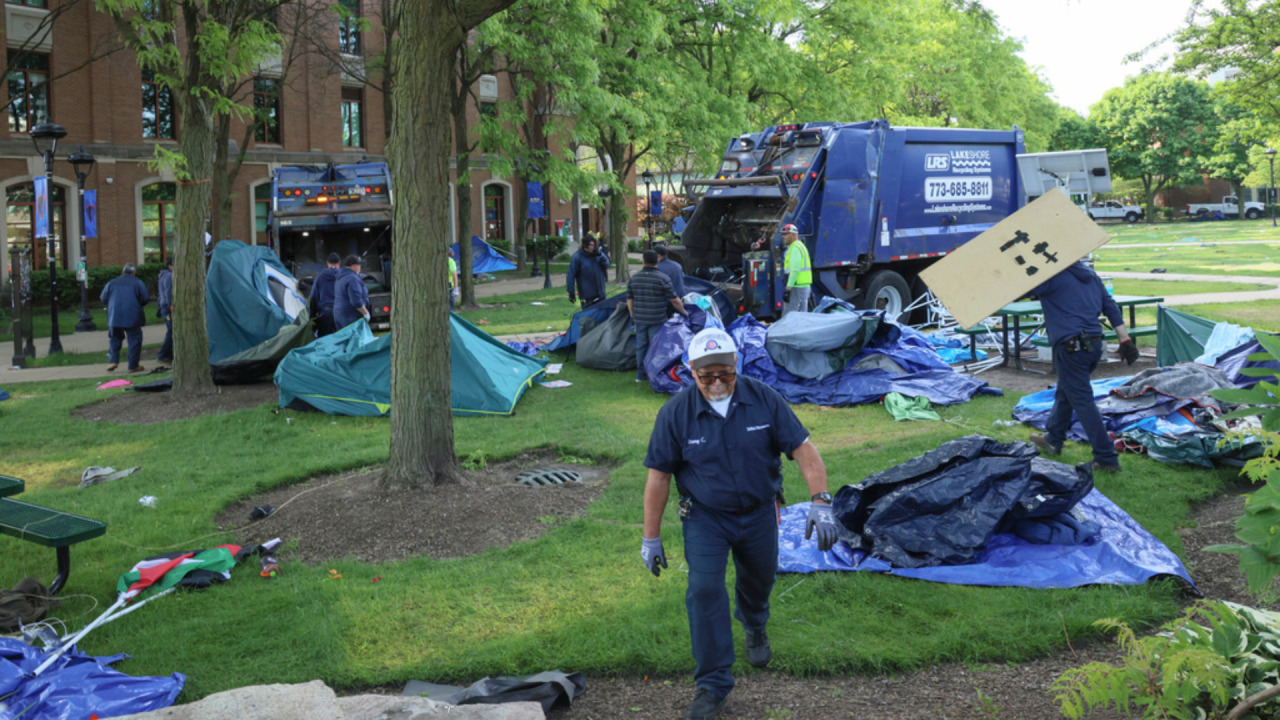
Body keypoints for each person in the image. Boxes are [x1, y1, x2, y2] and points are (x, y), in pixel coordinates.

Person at [641, 328, 838, 720]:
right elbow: (659, 477)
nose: (716, 382)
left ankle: (754, 622)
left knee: (759, 579)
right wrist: (651, 538)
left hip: (760, 512)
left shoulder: (765, 399)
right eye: (706, 376)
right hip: (705, 517)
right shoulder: (675, 414)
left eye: (724, 374)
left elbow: (804, 451)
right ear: (690, 373)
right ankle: (713, 686)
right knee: (704, 588)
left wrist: (821, 503)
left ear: (737, 366)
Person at [1028, 260, 1140, 473]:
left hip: (1072, 347)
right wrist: (1124, 339)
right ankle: (1053, 438)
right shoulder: (1091, 275)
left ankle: (1106, 457)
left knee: (1082, 400)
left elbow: (1019, 289)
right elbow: (1111, 307)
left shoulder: (1051, 275)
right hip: (1094, 345)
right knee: (1067, 390)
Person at [627, 250, 686, 383]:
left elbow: (629, 299)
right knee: (656, 347)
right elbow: (674, 300)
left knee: (641, 346)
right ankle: (654, 374)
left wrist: (633, 315)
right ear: (657, 260)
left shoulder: (635, 278)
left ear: (643, 261)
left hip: (640, 319)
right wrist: (683, 312)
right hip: (657, 318)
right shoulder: (662, 278)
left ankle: (640, 376)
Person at [100, 263, 150, 373]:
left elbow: (103, 297)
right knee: (134, 340)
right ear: (134, 273)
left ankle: (113, 361)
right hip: (133, 315)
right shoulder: (138, 283)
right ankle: (133, 365)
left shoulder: (112, 282)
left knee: (115, 338)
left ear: (122, 272)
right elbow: (145, 298)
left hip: (114, 316)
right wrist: (138, 305)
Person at [566, 234, 610, 308]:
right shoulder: (577, 257)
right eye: (591, 246)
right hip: (587, 294)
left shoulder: (598, 254)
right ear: (585, 246)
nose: (593, 248)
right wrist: (571, 291)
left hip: (600, 292)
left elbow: (607, 264)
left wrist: (601, 256)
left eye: (594, 245)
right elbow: (571, 274)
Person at [333, 254, 370, 330]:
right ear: (353, 266)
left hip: (339, 315)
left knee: (344, 340)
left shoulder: (340, 277)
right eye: (359, 265)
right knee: (356, 340)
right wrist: (366, 313)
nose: (360, 268)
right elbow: (356, 301)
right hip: (351, 317)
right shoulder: (352, 279)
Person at [780, 223, 811, 315]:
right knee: (801, 315)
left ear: (794, 235)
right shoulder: (801, 246)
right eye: (782, 234)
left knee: (790, 315)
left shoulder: (795, 248)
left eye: (786, 234)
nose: (783, 236)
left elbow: (795, 270)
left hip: (796, 287)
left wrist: (788, 289)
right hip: (803, 286)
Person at [310, 253, 342, 336]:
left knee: (324, 343)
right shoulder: (345, 276)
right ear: (339, 263)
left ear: (327, 263)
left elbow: (314, 297)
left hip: (325, 314)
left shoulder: (320, 277)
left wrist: (312, 316)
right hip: (342, 314)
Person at [156, 256, 174, 368]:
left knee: (172, 330)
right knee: (172, 331)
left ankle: (168, 354)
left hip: (165, 306)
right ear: (169, 266)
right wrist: (171, 305)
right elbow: (168, 292)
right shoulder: (169, 276)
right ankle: (163, 355)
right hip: (168, 307)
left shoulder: (164, 275)